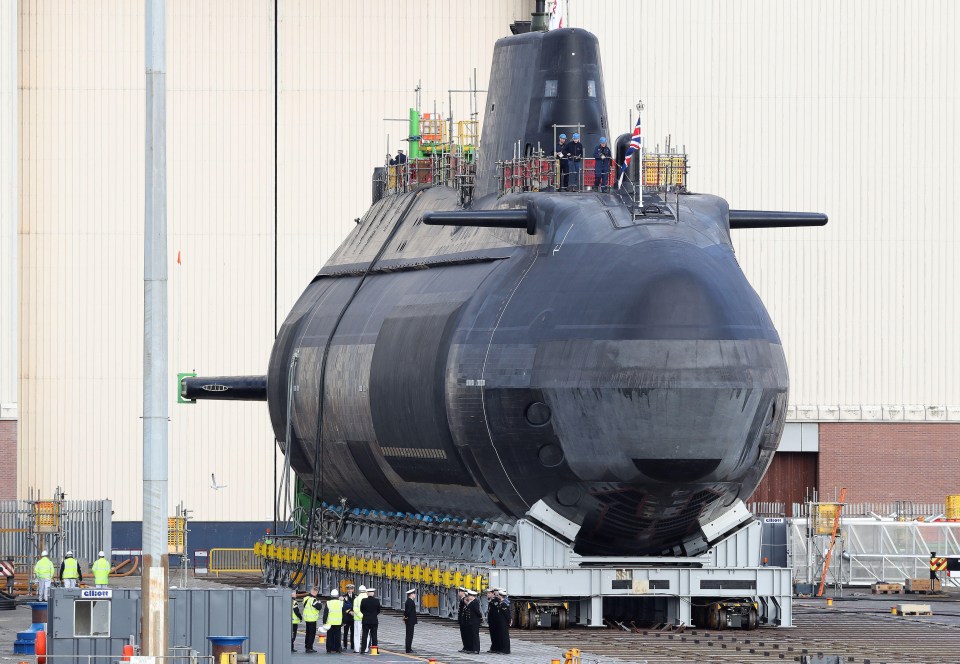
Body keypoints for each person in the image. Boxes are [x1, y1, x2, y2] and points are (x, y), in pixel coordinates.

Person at [359, 586, 381, 654]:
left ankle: (363, 650)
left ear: (367, 593)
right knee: (374, 636)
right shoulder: (376, 601)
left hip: (365, 620)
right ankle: (375, 651)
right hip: (374, 620)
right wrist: (374, 615)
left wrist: (366, 615)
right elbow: (378, 611)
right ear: (373, 593)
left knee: (364, 635)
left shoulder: (363, 600)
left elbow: (361, 610)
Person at [301, 586, 322, 653]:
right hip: (312, 619)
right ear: (315, 592)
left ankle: (306, 646)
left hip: (307, 619)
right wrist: (319, 602)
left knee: (307, 633)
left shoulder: (306, 598)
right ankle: (310, 647)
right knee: (312, 634)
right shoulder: (313, 600)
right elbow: (319, 607)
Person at [322, 589, 343, 653]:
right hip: (338, 622)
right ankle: (338, 649)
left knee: (329, 637)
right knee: (338, 636)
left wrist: (324, 622)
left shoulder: (328, 603)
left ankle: (329, 649)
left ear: (331, 595)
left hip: (330, 622)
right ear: (337, 595)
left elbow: (325, 614)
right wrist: (344, 621)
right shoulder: (341, 602)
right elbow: (343, 613)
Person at [464, 589, 483, 654]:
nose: (468, 597)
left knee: (475, 635)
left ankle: (476, 649)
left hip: (474, 621)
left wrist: (480, 617)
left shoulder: (475, 602)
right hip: (471, 621)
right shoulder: (471, 602)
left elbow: (477, 612)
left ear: (472, 596)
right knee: (471, 635)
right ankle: (472, 648)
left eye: (469, 596)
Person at [495, 588, 511, 654]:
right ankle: (502, 649)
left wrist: (509, 621)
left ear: (501, 596)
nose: (497, 596)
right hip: (501, 622)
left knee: (505, 636)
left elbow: (507, 614)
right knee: (501, 636)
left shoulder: (503, 604)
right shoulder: (501, 603)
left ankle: (506, 650)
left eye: (498, 595)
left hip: (504, 623)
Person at [403, 588, 418, 653]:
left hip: (409, 620)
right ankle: (408, 649)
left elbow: (406, 611)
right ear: (411, 594)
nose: (415, 595)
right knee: (409, 635)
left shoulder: (408, 601)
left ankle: (408, 648)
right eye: (414, 594)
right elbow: (408, 611)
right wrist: (405, 617)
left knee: (409, 634)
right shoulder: (410, 602)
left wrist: (405, 617)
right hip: (410, 620)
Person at [342, 583, 356, 651]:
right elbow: (343, 607)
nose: (350, 590)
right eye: (348, 589)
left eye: (351, 589)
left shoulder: (356, 597)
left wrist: (353, 612)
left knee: (353, 632)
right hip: (347, 617)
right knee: (345, 632)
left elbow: (356, 606)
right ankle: (345, 645)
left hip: (353, 617)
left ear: (353, 589)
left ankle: (353, 645)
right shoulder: (344, 597)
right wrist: (349, 611)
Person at [486, 589, 501, 653]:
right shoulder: (491, 600)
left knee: (495, 635)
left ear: (493, 594)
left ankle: (496, 647)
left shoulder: (495, 600)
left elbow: (495, 612)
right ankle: (493, 647)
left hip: (494, 621)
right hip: (491, 621)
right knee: (492, 635)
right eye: (487, 593)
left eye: (489, 593)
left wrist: (495, 621)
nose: (487, 595)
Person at [352, 584, 366, 652]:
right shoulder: (367, 598)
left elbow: (355, 609)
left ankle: (357, 649)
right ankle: (365, 649)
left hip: (358, 619)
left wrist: (361, 616)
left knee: (357, 634)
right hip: (366, 620)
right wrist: (365, 616)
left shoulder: (356, 599)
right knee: (366, 635)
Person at [456, 587, 469, 652]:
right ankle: (465, 647)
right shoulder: (462, 599)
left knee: (465, 634)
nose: (458, 593)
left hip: (464, 620)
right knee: (463, 634)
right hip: (462, 620)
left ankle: (466, 647)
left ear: (463, 592)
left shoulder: (464, 600)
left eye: (459, 592)